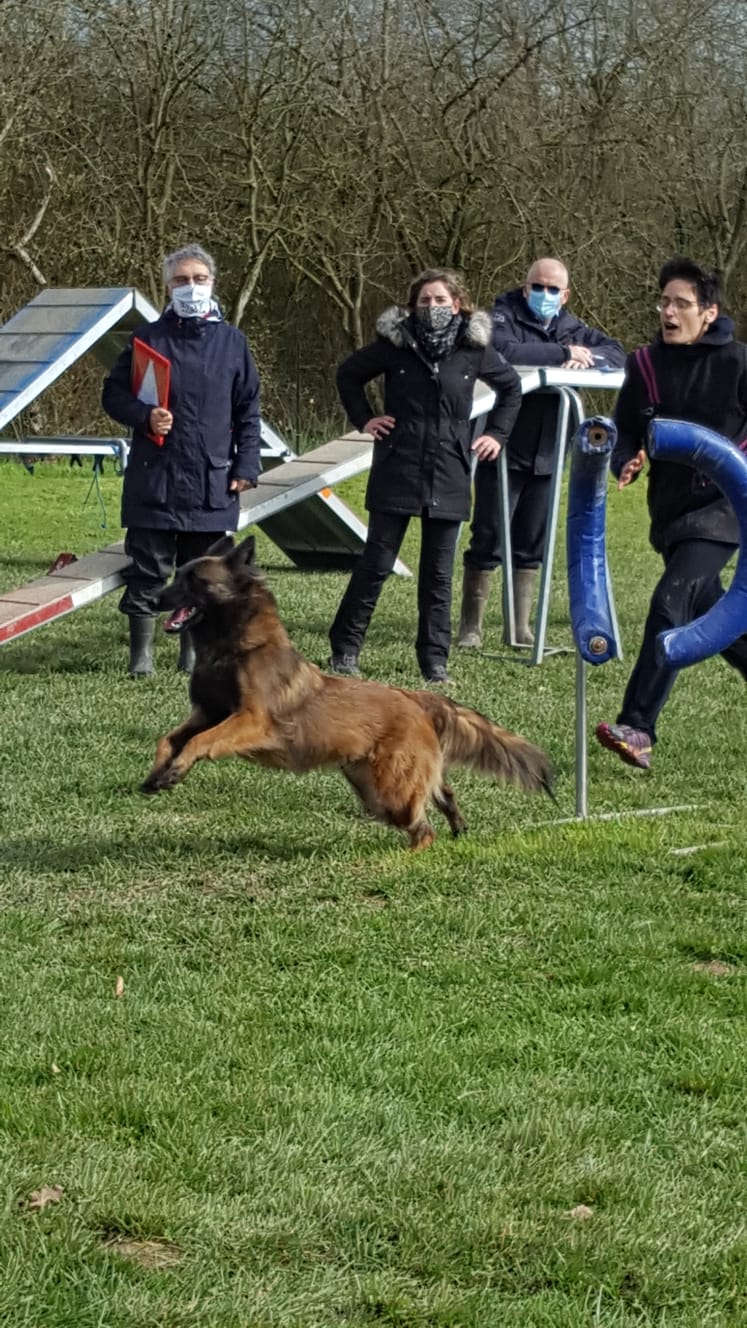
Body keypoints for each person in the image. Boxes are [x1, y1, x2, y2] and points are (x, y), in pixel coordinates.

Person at [329, 267, 522, 684]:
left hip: (450, 470)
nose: (432, 307)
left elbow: (511, 388)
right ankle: (344, 651)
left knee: (438, 575)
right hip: (398, 466)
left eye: (440, 300)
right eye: (424, 300)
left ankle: (434, 662)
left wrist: (496, 435)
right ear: (413, 305)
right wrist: (365, 418)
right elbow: (348, 374)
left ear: (457, 304)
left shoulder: (475, 348)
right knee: (376, 564)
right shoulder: (395, 344)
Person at [596, 257, 747, 769]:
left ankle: (637, 726)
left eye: (681, 303)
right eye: (663, 302)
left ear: (709, 312)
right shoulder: (643, 365)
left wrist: (733, 461)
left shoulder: (739, 363)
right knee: (710, 612)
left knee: (671, 601)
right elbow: (626, 430)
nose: (668, 312)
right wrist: (626, 458)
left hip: (725, 510)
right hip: (671, 516)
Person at [102, 243, 261, 676]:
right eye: (181, 280)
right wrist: (144, 416)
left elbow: (249, 410)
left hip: (212, 478)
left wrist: (247, 466)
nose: (190, 287)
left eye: (198, 279)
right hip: (155, 477)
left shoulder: (233, 343)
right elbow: (112, 394)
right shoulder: (146, 339)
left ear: (213, 283)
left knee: (202, 575)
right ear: (167, 287)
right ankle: (141, 659)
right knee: (147, 569)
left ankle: (192, 657)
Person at [458, 256, 625, 648]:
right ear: (525, 287)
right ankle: (471, 627)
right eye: (538, 286)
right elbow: (503, 351)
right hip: (502, 445)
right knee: (489, 535)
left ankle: (520, 628)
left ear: (565, 295)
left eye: (553, 289)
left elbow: (617, 352)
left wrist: (586, 357)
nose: (544, 294)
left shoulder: (573, 327)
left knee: (533, 541)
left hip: (550, 451)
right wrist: (563, 354)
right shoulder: (500, 317)